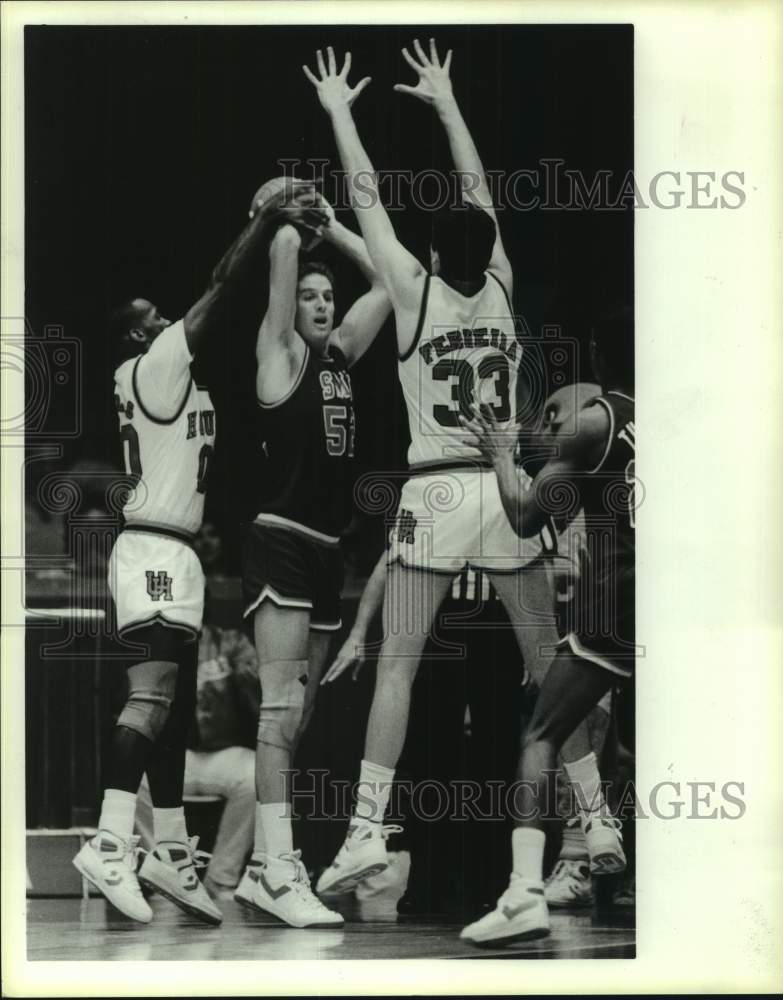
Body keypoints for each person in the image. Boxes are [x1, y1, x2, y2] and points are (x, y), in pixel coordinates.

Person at [304, 41, 617, 896]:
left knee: (399, 660)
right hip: (505, 479)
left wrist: (339, 113)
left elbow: (366, 200)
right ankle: (594, 823)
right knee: (549, 662)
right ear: (487, 252)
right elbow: (478, 193)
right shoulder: (505, 285)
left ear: (432, 257)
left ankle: (366, 830)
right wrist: (446, 102)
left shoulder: (412, 289)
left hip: (433, 487)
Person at [72, 178, 324, 924]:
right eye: (152, 321)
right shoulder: (151, 369)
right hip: (151, 547)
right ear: (134, 339)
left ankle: (173, 850)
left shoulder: (169, 371)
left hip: (174, 551)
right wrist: (267, 223)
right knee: (148, 701)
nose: (167, 324)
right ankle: (111, 842)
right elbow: (219, 291)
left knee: (173, 711)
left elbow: (225, 311)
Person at [233, 194, 392, 928]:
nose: (323, 305)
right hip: (280, 539)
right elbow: (278, 262)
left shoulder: (340, 356)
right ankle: (274, 867)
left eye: (329, 297)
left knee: (298, 722)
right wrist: (286, 217)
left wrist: (336, 230)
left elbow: (390, 283)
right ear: (288, 304)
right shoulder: (280, 351)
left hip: (327, 553)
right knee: (279, 712)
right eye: (310, 295)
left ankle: (267, 866)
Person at [458, 307, 636, 946]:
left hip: (620, 602)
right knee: (623, 743)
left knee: (541, 727)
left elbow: (527, 515)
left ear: (597, 355)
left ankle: (524, 891)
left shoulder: (596, 424)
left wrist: (505, 454)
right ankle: (610, 848)